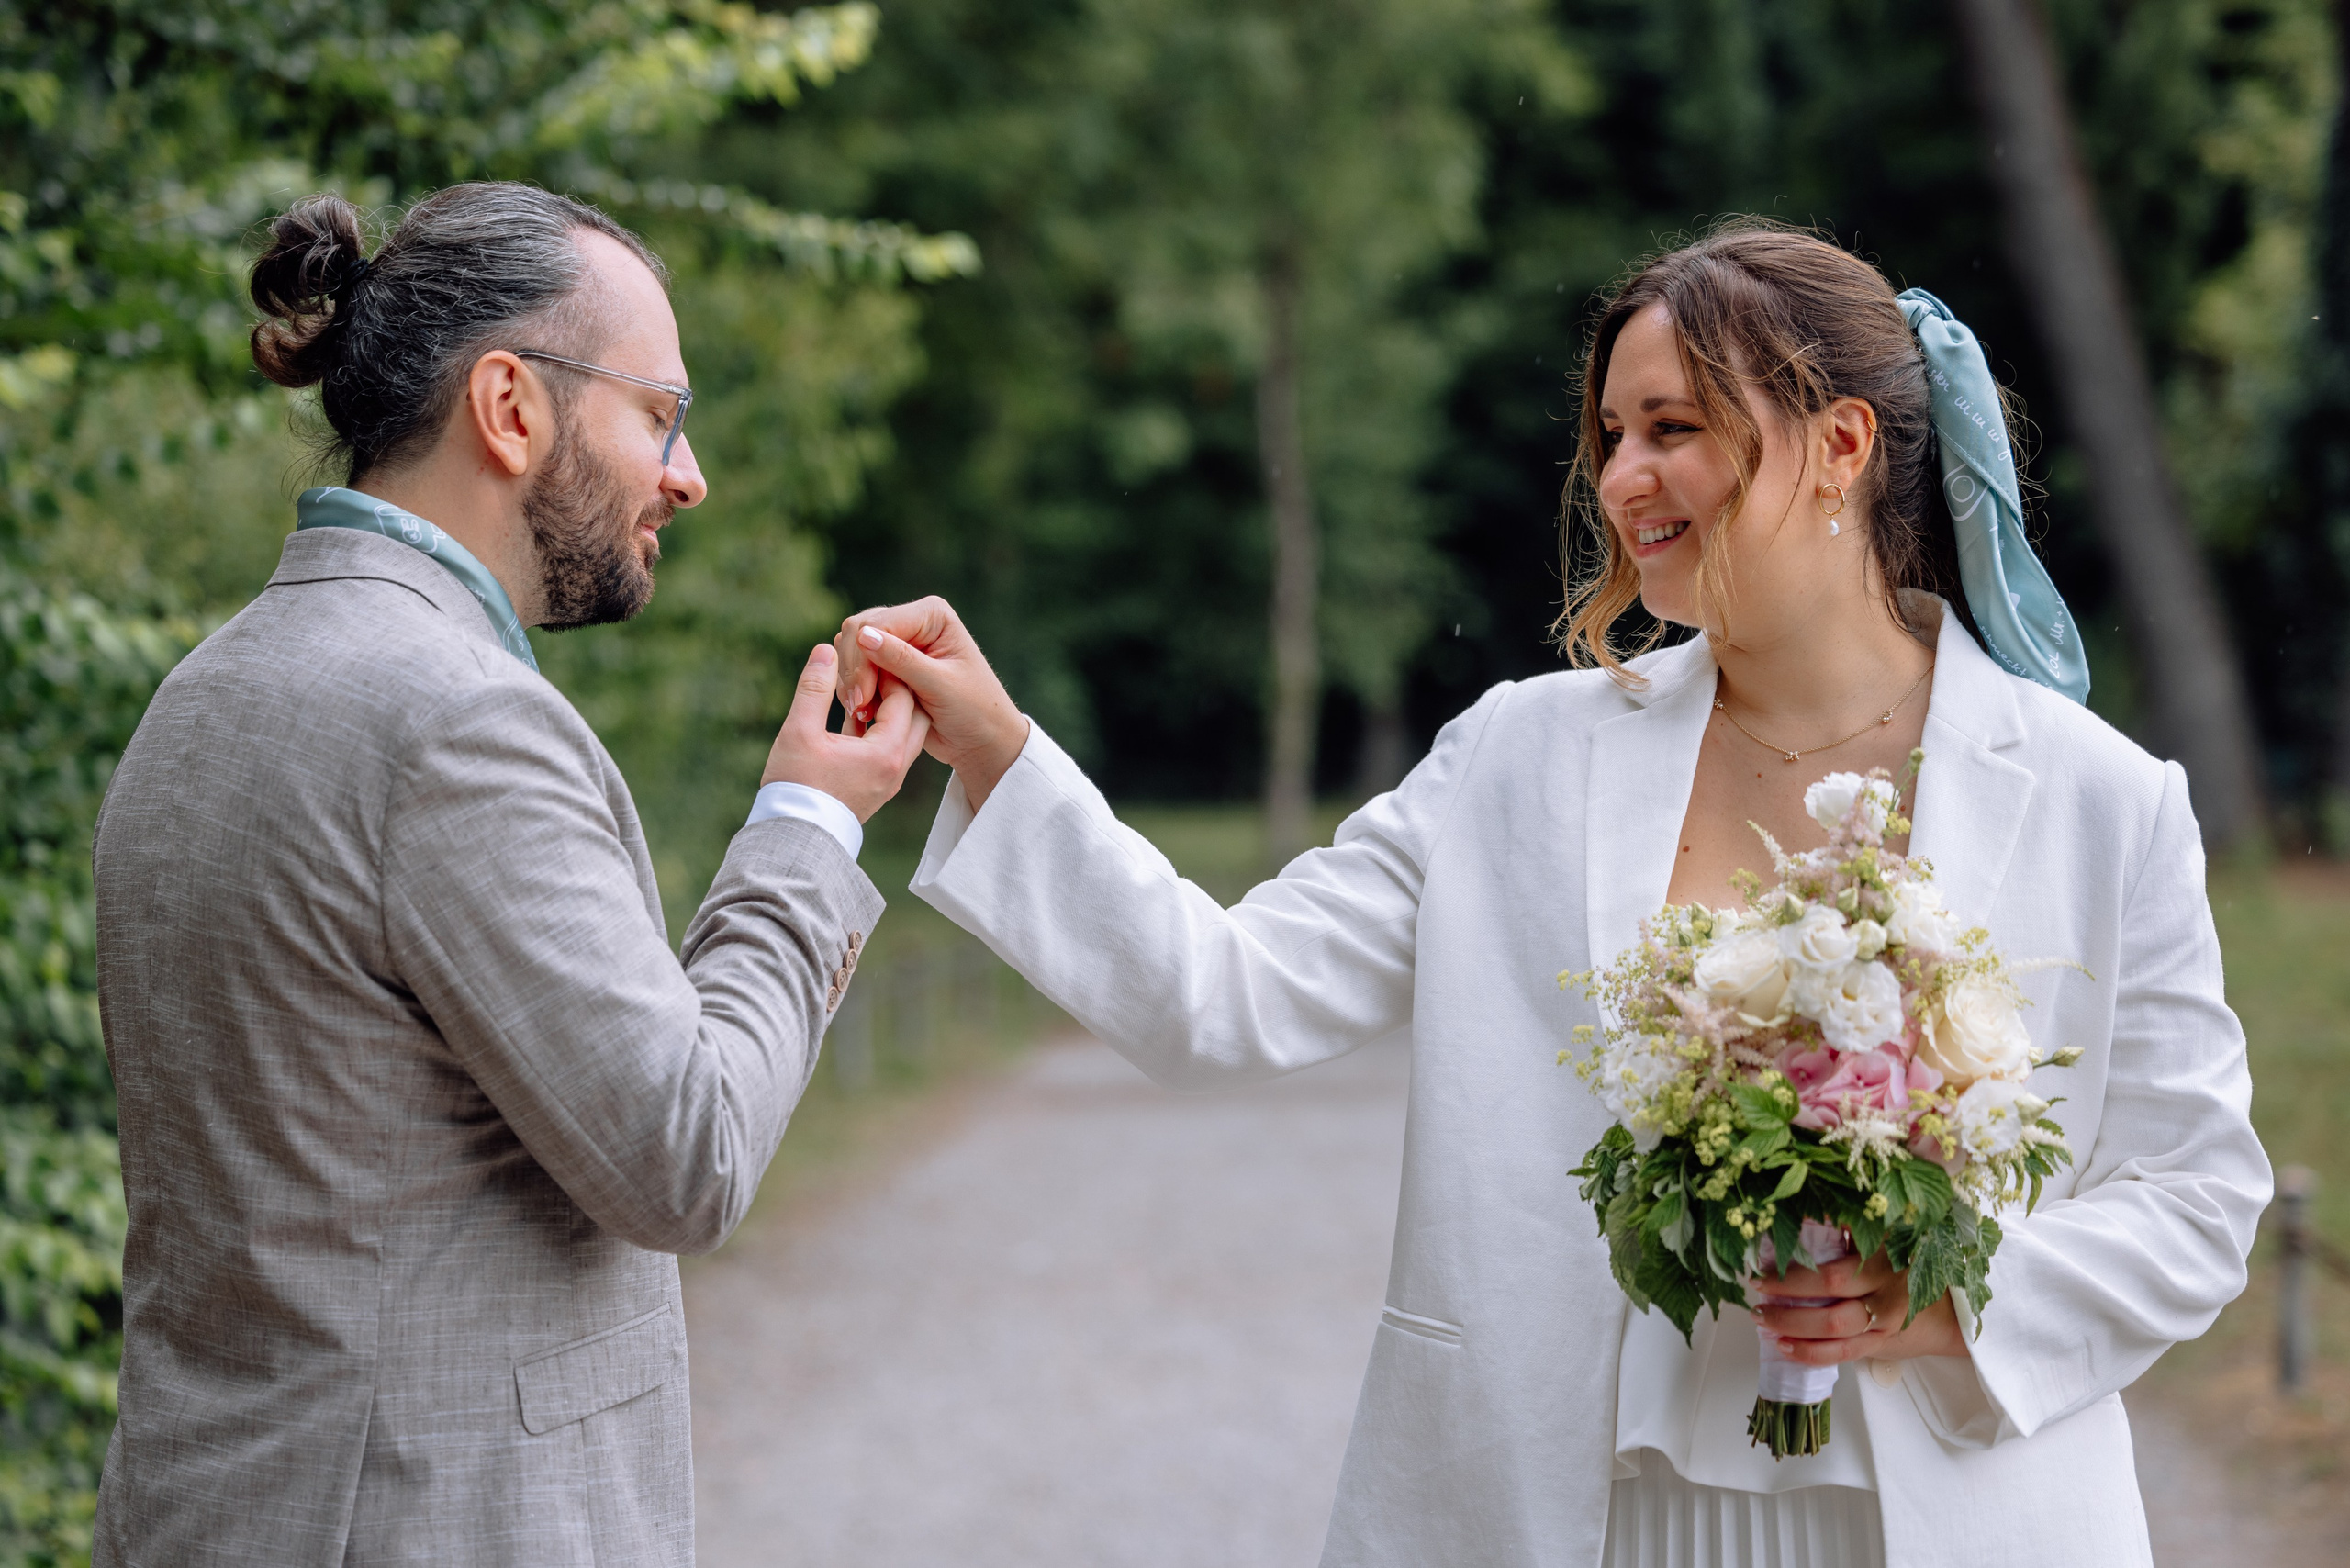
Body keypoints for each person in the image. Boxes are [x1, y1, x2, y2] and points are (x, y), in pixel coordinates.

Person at [831, 220, 2269, 1566]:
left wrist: (1956, 1296)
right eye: (1612, 435)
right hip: (1580, 1508)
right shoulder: (1519, 758)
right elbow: (1226, 993)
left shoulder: (2098, 799)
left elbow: (2197, 1195)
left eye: (1676, 428)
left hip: (1952, 1511)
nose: (1623, 477)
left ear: (1839, 447)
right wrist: (998, 751)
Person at [91, 183, 927, 1566]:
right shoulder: (460, 723)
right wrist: (806, 827)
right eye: (659, 413)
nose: (688, 474)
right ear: (511, 407)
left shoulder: (200, 692)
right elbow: (687, 1157)